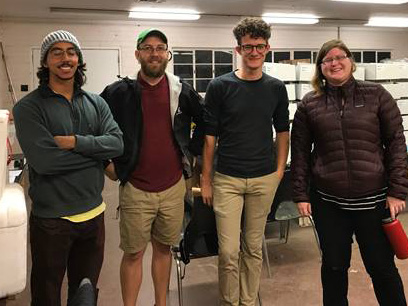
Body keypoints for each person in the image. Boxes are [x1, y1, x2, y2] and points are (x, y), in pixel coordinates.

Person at [291, 39, 407, 306]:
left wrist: (397, 190)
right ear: (321, 68)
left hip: (374, 203)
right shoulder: (310, 104)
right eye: (327, 59)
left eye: (340, 57)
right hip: (329, 205)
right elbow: (299, 152)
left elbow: (397, 144)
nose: (335, 63)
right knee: (333, 269)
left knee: (382, 269)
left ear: (351, 62)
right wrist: (300, 194)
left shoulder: (377, 95)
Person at [13, 30, 123, 306]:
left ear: (79, 59)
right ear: (46, 62)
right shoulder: (29, 108)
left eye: (71, 52)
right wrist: (97, 154)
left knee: (85, 293)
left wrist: (75, 142)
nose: (66, 58)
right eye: (57, 52)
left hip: (94, 216)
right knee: (46, 294)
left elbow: (118, 143)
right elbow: (45, 162)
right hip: (52, 221)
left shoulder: (96, 103)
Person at [100, 28, 204, 306]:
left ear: (167, 54)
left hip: (172, 187)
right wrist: (106, 164)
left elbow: (206, 122)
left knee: (163, 249)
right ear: (137, 54)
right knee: (133, 253)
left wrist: (191, 153)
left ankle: (161, 303)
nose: (154, 53)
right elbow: (94, 125)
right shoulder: (118, 92)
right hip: (135, 187)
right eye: (147, 47)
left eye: (160, 47)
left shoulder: (181, 90)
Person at [201, 17, 290, 306]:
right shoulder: (219, 86)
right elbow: (209, 138)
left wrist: (278, 172)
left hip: (264, 178)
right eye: (248, 47)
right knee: (228, 251)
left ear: (268, 48)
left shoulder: (276, 88)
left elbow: (283, 132)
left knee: (253, 248)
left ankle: (249, 301)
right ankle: (230, 302)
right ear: (238, 49)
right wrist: (206, 180)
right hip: (227, 179)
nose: (254, 52)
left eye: (259, 46)